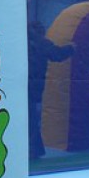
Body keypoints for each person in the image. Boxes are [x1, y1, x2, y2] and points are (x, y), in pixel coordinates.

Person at [27, 20, 75, 159]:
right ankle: (34, 150)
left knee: (29, 117)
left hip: (24, 85)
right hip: (34, 86)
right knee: (32, 119)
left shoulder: (24, 43)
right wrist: (71, 48)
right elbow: (57, 54)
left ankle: (32, 149)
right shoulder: (41, 43)